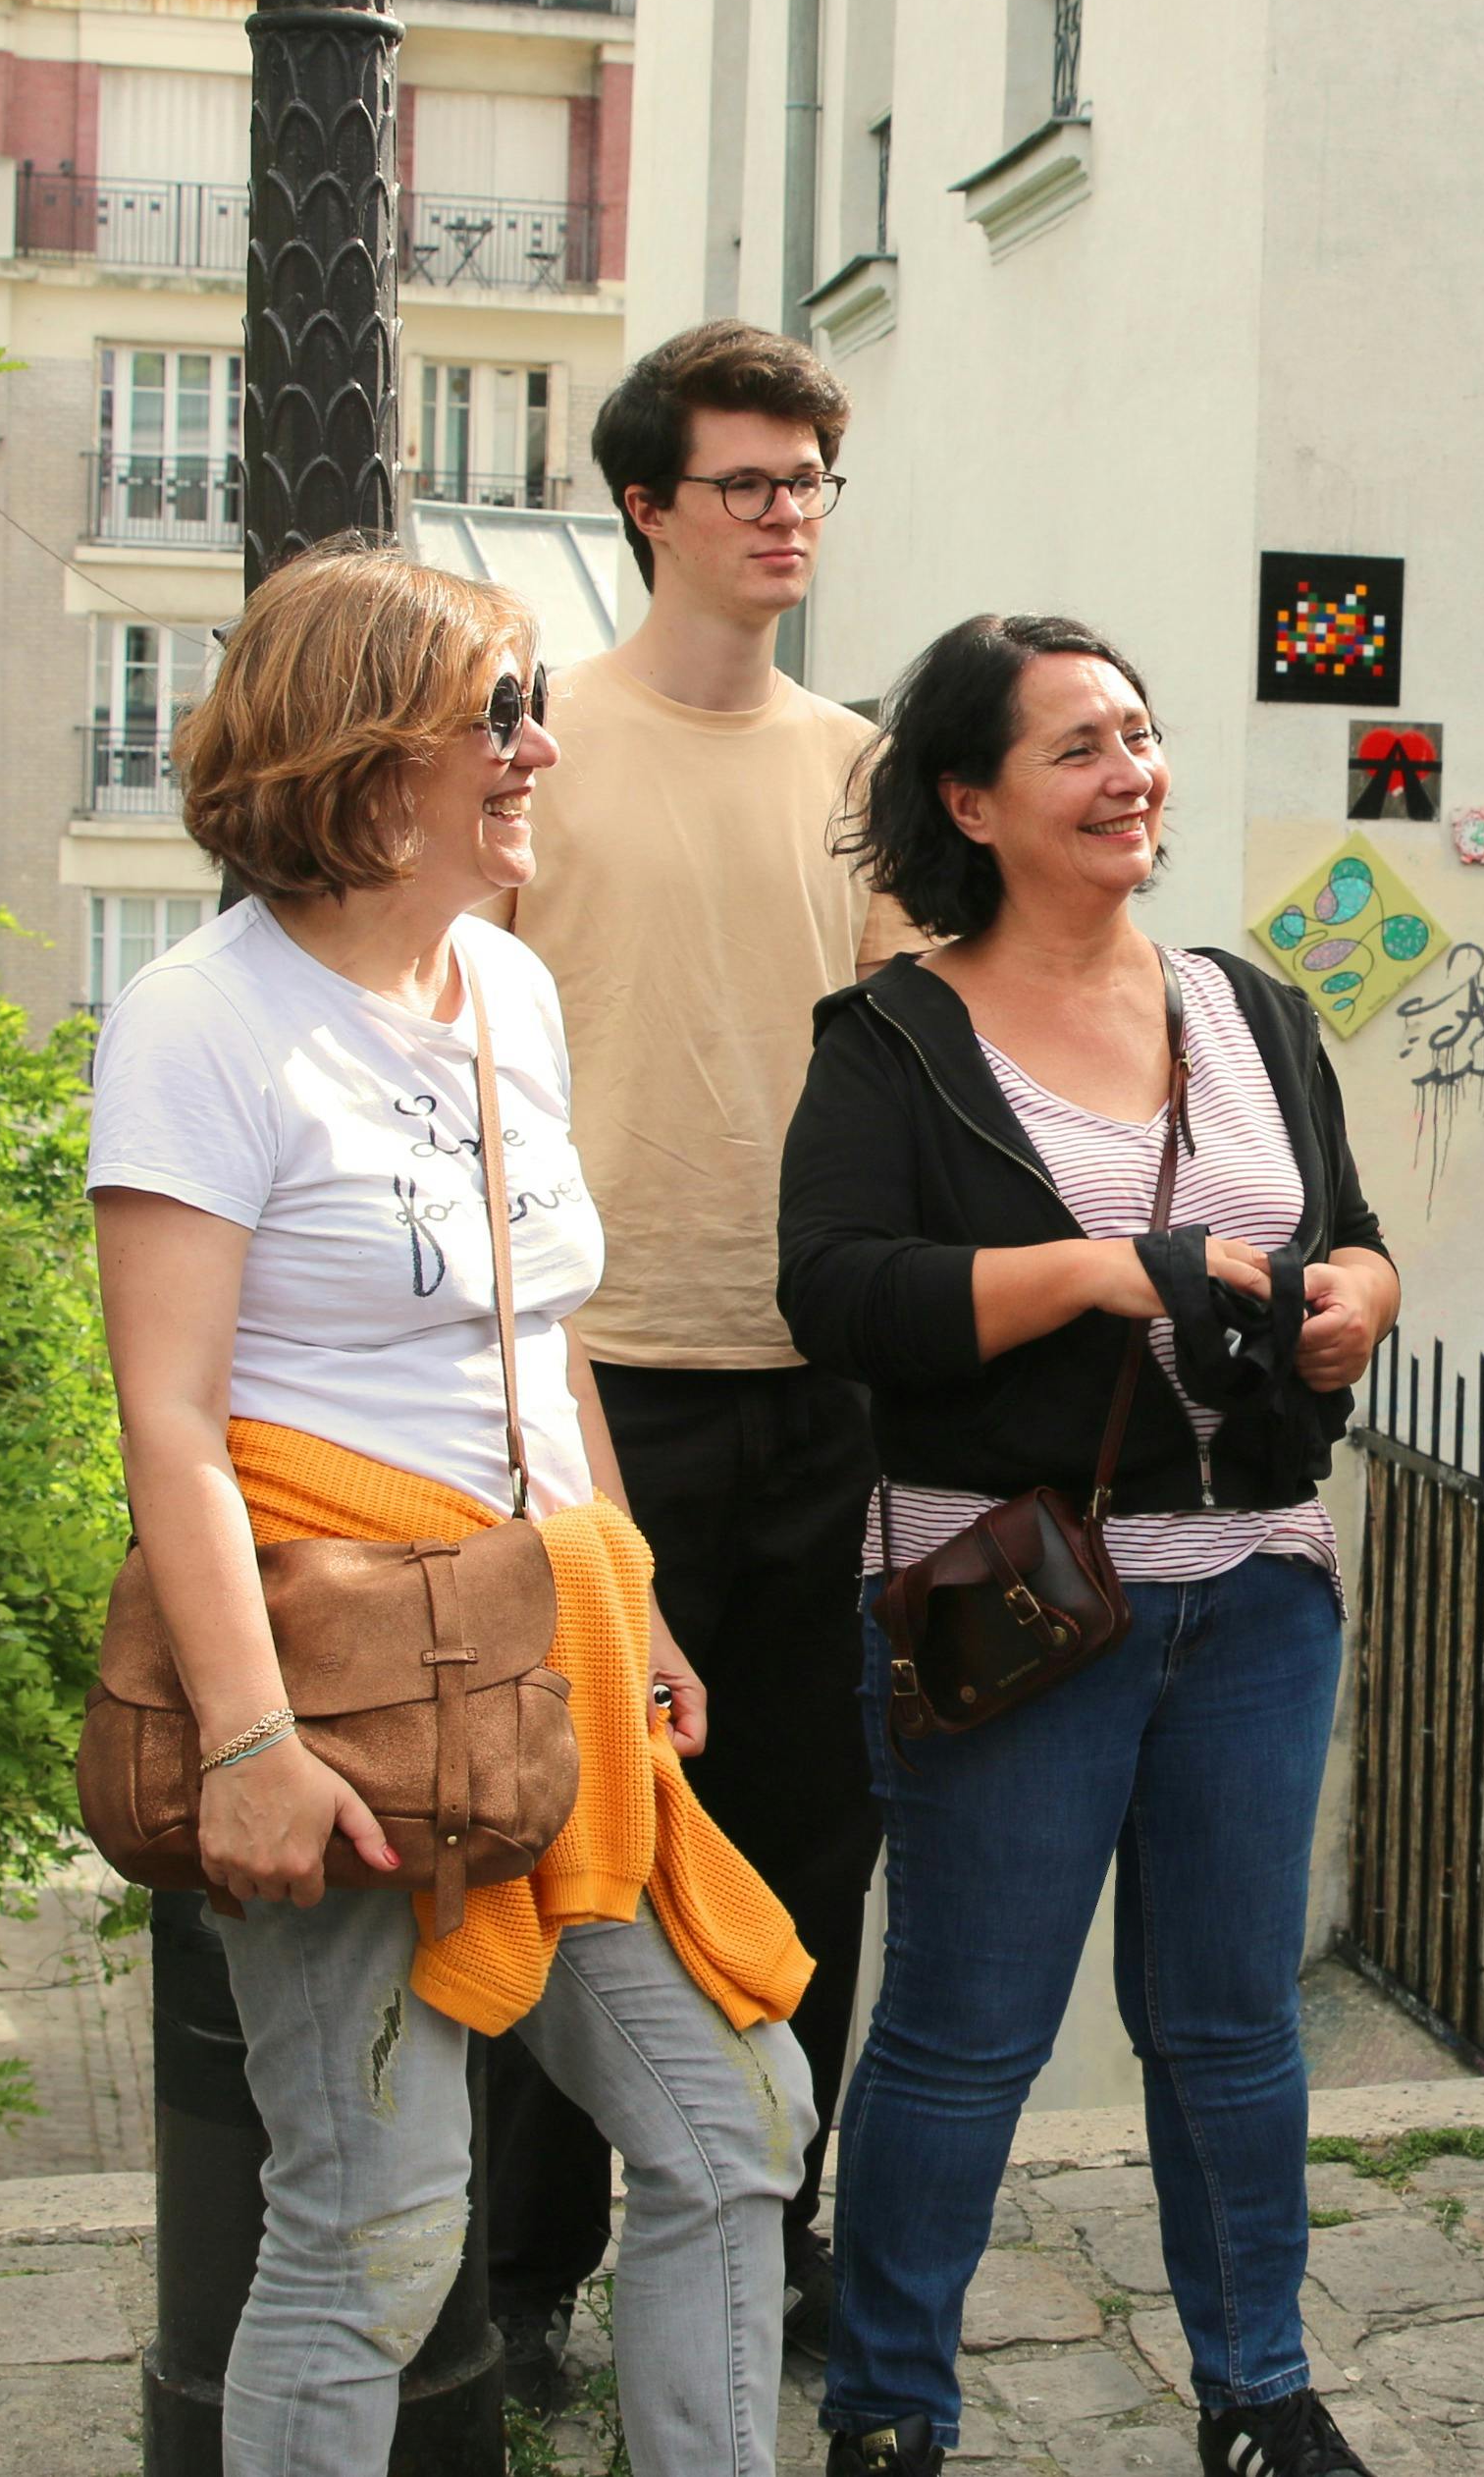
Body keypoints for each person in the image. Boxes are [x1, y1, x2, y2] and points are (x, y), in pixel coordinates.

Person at [84, 537, 817, 2476]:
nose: (537, 752)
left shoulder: (506, 985)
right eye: (498, 716)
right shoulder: (202, 1020)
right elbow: (170, 1421)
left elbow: (539, 1336)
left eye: (534, 711)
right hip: (344, 1698)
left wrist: (635, 1616)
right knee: (375, 2227)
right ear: (359, 752)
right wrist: (246, 1740)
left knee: (736, 2121)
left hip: (539, 1661)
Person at [779, 614, 1403, 2477]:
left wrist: (1359, 1299)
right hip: (1018, 1596)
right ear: (969, 801)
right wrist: (1098, 1271)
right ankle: (893, 2408)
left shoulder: (1254, 1010)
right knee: (967, 2029)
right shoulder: (894, 1039)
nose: (1131, 772)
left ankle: (1259, 2392)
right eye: (1077, 747)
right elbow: (838, 1295)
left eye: (1139, 732)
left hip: (1259, 1591)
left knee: (1232, 2025)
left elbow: (1352, 1228)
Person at [493, 317, 922, 2391]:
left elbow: (917, 1058)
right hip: (591, 1386)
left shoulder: (861, 773)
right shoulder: (540, 744)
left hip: (822, 1383)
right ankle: (525, 2271)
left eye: (810, 480)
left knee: (806, 1843)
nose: (787, 514)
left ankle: (772, 2223)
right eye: (747, 481)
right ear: (647, 504)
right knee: (569, 1839)